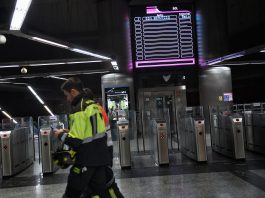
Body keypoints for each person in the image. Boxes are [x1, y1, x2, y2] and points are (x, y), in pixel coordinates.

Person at [54, 77, 110, 198]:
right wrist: (70, 131)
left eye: (67, 95)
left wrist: (60, 134)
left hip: (85, 160)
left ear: (73, 92)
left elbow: (76, 141)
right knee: (100, 193)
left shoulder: (79, 109)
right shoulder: (93, 105)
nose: (67, 99)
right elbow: (92, 132)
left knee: (71, 193)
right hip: (100, 159)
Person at [82, 88, 124, 198]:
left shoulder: (94, 111)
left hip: (101, 152)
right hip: (106, 149)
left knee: (106, 184)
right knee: (105, 183)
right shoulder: (99, 109)